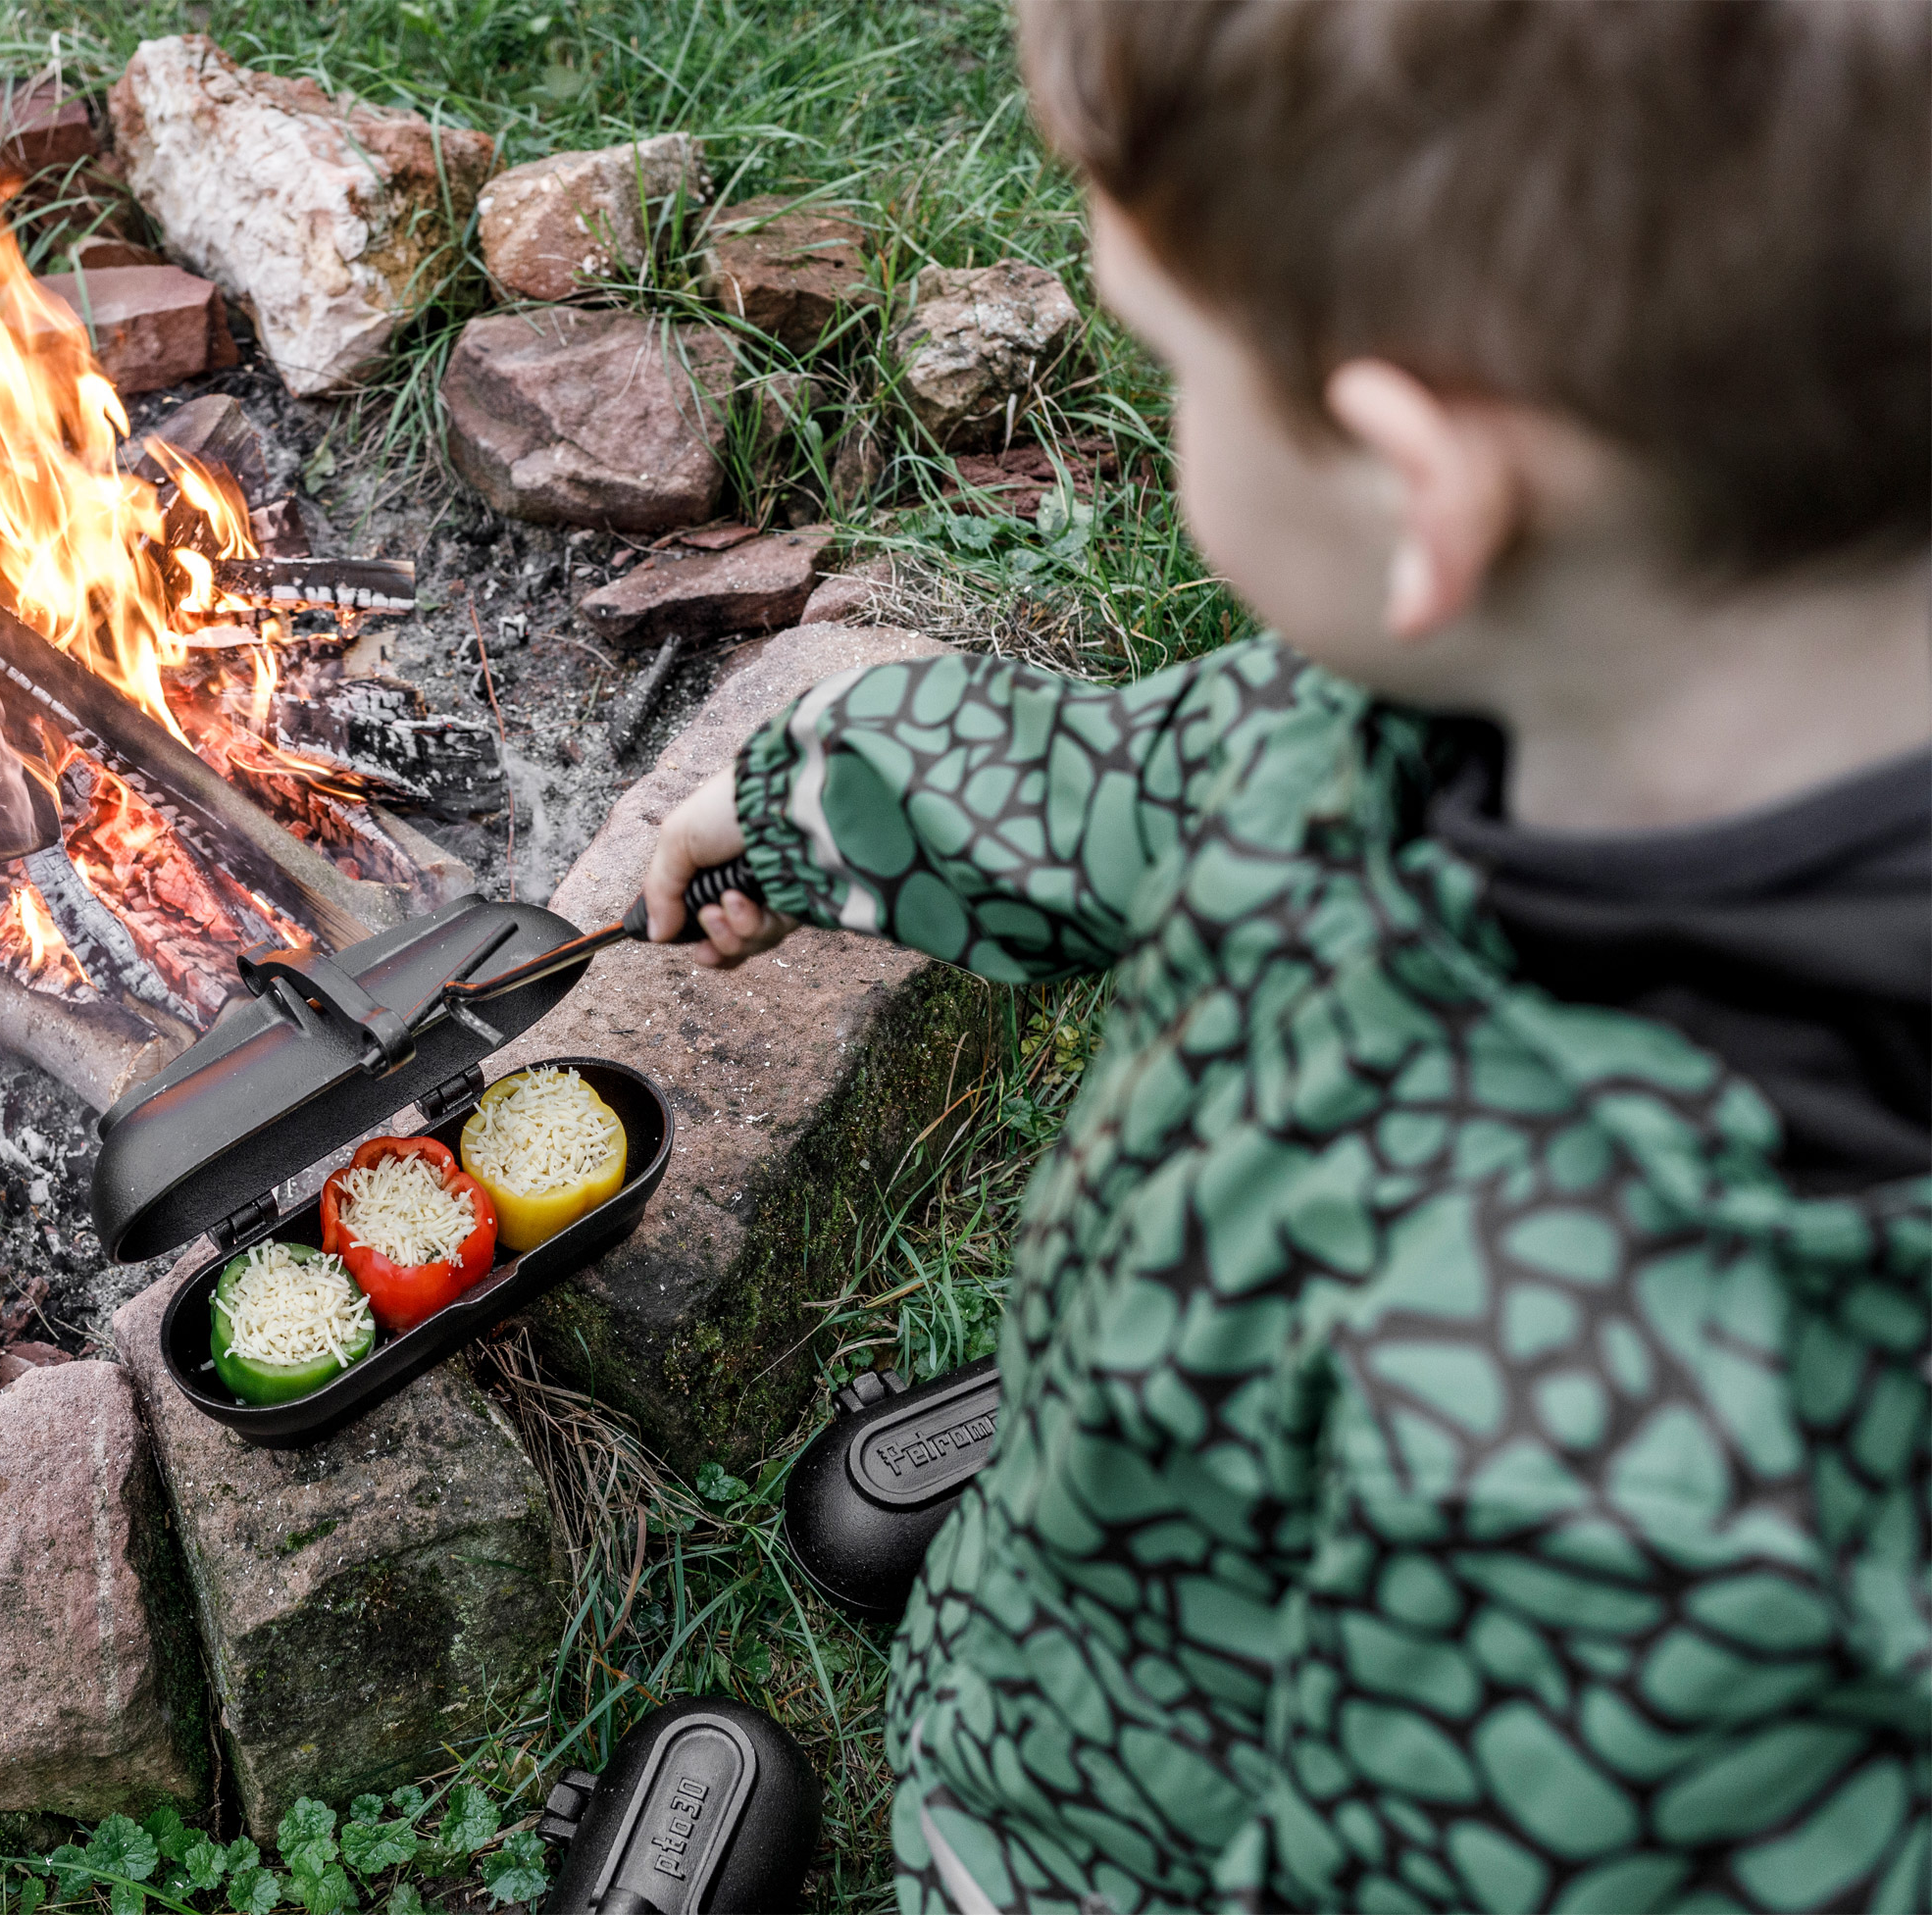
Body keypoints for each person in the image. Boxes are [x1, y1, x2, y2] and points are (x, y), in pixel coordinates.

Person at [636, 3, 1929, 1910]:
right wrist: (837, 796)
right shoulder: (1534, 686)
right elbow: (1196, 773)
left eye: (1171, 357)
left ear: (1425, 492)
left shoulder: (1633, 1540)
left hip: (1132, 1827)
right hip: (1197, 1535)